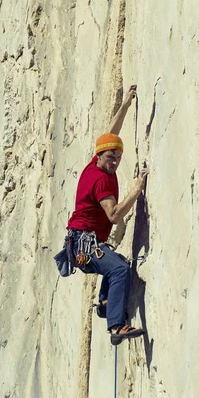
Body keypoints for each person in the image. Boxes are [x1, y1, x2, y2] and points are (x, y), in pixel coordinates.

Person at [66, 85, 149, 345]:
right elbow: (113, 215)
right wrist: (136, 190)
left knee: (115, 262)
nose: (115, 161)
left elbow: (110, 133)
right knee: (120, 270)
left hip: (81, 243)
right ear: (100, 156)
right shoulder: (101, 181)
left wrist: (125, 105)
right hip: (84, 244)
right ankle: (116, 326)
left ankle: (104, 302)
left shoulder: (97, 160)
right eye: (111, 157)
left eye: (118, 157)